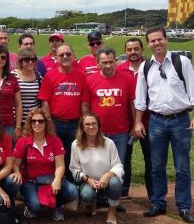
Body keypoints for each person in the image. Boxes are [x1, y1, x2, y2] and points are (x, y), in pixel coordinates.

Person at [134, 27, 194, 224]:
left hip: (180, 121)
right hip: (156, 121)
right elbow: (140, 99)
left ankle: (183, 206)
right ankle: (158, 202)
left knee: (182, 166)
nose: (157, 43)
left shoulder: (181, 62)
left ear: (166, 40)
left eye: (159, 39)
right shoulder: (146, 67)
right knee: (156, 166)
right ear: (148, 44)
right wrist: (138, 121)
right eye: (152, 41)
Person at [11, 109, 78, 222]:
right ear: (30, 123)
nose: (37, 124)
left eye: (40, 121)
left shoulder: (55, 141)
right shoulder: (23, 141)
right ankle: (30, 205)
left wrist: (57, 180)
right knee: (35, 206)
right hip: (31, 182)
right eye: (34, 121)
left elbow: (60, 165)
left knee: (72, 191)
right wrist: (17, 172)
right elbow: (15, 164)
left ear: (46, 123)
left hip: (51, 181)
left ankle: (57, 206)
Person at [38, 44, 90, 182]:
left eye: (68, 54)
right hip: (56, 123)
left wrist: (83, 124)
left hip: (75, 123)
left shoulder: (81, 76)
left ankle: (73, 186)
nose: (65, 57)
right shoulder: (50, 75)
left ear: (73, 55)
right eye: (61, 55)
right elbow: (45, 102)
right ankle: (57, 184)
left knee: (74, 157)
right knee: (56, 156)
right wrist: (49, 124)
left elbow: (84, 103)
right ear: (56, 58)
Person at [86, 48, 135, 191]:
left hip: (120, 131)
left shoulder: (127, 79)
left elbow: (132, 103)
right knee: (97, 164)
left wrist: (135, 124)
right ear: (97, 63)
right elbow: (86, 106)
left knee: (118, 165)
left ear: (116, 62)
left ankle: (115, 198)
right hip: (97, 132)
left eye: (111, 62)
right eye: (104, 62)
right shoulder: (90, 80)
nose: (108, 66)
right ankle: (99, 197)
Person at [70, 113, 124, 224]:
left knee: (115, 183)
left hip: (107, 181)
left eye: (94, 123)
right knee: (86, 195)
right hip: (89, 181)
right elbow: (74, 169)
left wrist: (107, 175)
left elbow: (118, 166)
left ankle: (111, 211)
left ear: (98, 125)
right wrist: (87, 179)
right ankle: (92, 203)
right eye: (87, 124)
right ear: (82, 128)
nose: (91, 127)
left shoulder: (109, 143)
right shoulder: (75, 145)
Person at [116, 38, 152, 200]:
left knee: (151, 160)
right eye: (129, 49)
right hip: (126, 124)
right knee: (124, 159)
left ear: (142, 50)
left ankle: (153, 194)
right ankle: (123, 191)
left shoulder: (151, 67)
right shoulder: (119, 70)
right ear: (125, 51)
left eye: (136, 49)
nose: (133, 52)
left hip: (150, 122)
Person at [12, 48, 42, 127]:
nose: (30, 62)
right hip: (16, 121)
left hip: (34, 121)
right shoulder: (12, 76)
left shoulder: (38, 76)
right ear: (21, 61)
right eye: (27, 60)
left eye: (33, 60)